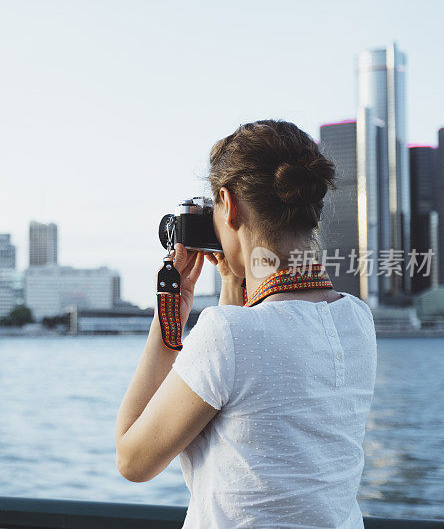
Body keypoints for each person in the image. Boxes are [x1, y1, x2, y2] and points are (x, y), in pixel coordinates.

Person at [115, 120, 377, 528]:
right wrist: (231, 281)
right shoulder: (358, 318)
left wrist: (168, 321)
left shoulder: (226, 335)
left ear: (229, 204)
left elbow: (132, 460)